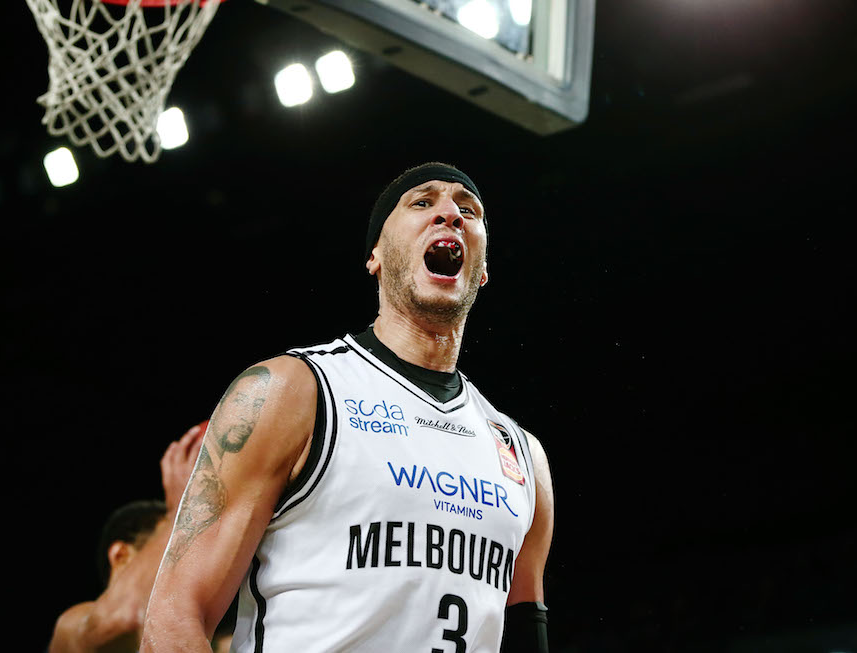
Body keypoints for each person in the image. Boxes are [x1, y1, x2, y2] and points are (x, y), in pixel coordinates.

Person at [142, 162, 555, 652]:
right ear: (375, 255)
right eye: (422, 202)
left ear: (482, 271)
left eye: (468, 210)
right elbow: (173, 620)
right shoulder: (294, 391)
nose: (450, 214)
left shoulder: (521, 454)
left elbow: (525, 634)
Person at [49, 423, 206, 653]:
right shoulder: (71, 629)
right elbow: (121, 616)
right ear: (121, 555)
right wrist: (180, 512)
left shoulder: (219, 636)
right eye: (172, 540)